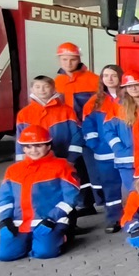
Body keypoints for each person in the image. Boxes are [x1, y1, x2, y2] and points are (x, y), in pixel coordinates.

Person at [0, 126, 80, 261]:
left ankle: (65, 236)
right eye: (28, 146)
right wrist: (5, 220)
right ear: (23, 148)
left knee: (44, 253)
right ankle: (32, 241)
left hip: (50, 221)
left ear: (48, 146)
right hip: (20, 223)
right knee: (5, 255)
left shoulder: (62, 166)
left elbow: (71, 197)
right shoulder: (13, 170)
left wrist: (52, 219)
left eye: (38, 145)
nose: (33, 150)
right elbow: (4, 198)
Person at [54, 42, 100, 213]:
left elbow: (100, 107)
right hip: (66, 133)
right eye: (64, 59)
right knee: (73, 167)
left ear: (79, 59)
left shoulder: (93, 80)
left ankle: (94, 200)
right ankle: (83, 203)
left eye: (72, 59)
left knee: (90, 168)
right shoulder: (56, 82)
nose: (68, 63)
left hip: (87, 131)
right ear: (59, 60)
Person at [81, 65, 125, 232]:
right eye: (106, 75)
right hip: (105, 152)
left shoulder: (129, 98)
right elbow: (88, 125)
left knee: (136, 185)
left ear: (121, 77)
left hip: (127, 151)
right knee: (110, 186)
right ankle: (113, 218)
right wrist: (95, 145)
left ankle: (136, 217)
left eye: (113, 75)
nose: (110, 79)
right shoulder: (94, 102)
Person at [15, 75, 83, 166]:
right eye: (37, 87)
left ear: (54, 89)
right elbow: (20, 139)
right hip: (33, 162)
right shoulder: (24, 113)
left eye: (46, 86)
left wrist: (71, 159)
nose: (42, 90)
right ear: (32, 89)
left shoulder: (67, 111)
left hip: (63, 159)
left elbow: (77, 136)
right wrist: (21, 162)